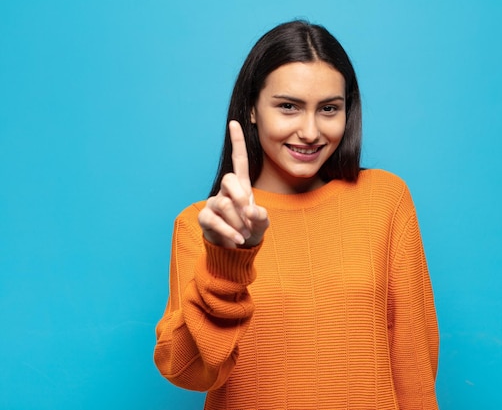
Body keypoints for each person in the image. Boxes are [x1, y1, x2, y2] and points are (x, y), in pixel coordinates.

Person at [154, 20, 439, 409]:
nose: (309, 131)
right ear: (252, 109)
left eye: (328, 109)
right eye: (288, 107)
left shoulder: (384, 200)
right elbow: (188, 371)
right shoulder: (204, 225)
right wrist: (227, 262)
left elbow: (414, 364)